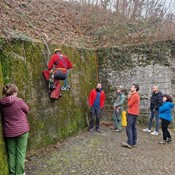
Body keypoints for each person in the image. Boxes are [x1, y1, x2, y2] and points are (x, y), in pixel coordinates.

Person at [0, 84, 30, 175]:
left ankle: (12, 173)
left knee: (11, 154)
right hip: (22, 130)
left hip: (9, 132)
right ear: (14, 92)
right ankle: (20, 173)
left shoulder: (1, 103)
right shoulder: (19, 101)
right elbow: (27, 110)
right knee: (20, 153)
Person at [121, 84, 140, 149]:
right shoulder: (136, 95)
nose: (130, 88)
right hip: (135, 113)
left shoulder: (135, 95)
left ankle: (130, 143)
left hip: (132, 113)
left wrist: (129, 97)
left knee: (128, 128)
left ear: (135, 89)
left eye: (132, 87)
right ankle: (134, 142)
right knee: (133, 128)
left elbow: (129, 104)